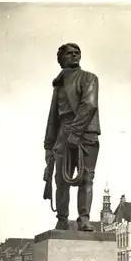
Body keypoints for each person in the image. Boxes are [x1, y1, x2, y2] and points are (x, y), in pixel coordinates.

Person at [44, 43, 101, 231]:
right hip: (62, 134)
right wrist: (48, 146)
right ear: (61, 59)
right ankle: (62, 219)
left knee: (86, 177)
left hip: (85, 133)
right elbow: (53, 118)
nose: (75, 55)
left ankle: (84, 218)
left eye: (77, 53)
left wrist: (76, 133)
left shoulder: (89, 78)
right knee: (60, 179)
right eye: (70, 53)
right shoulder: (58, 86)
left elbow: (90, 105)